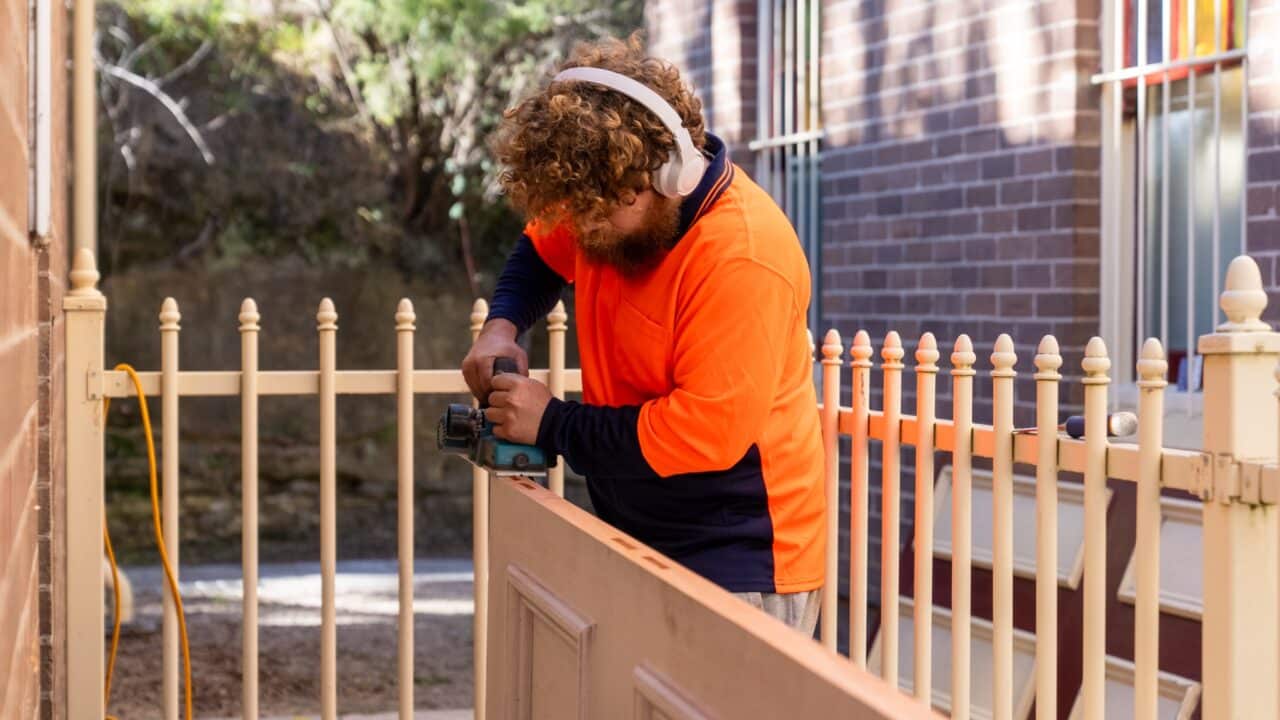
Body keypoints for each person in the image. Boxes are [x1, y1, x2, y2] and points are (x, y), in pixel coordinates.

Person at [461, 34, 824, 636]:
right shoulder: (604, 204)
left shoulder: (742, 256)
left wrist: (552, 424)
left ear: (670, 173)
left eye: (602, 212)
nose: (587, 230)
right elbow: (539, 249)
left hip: (739, 564)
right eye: (577, 214)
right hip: (639, 533)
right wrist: (501, 328)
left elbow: (704, 435)